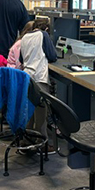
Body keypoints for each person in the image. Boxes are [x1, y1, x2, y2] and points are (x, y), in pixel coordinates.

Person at [20, 18, 58, 149]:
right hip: (39, 77)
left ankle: (27, 139)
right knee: (41, 110)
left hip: (26, 76)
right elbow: (52, 55)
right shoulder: (43, 35)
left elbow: (21, 58)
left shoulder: (24, 37)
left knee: (29, 109)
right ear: (46, 28)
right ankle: (42, 143)